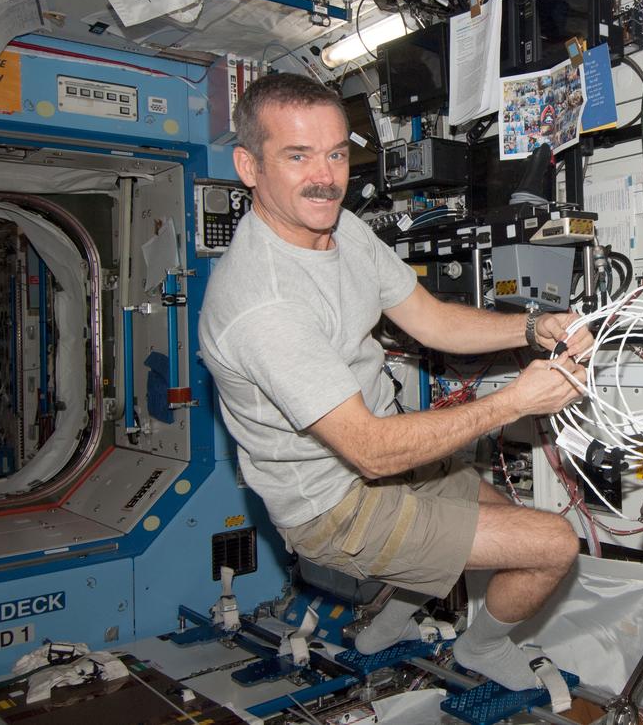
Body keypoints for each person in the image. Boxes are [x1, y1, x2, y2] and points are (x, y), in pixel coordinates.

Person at [198, 73, 592, 692]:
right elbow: (371, 450)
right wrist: (516, 400)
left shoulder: (337, 226)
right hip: (336, 503)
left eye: (335, 153)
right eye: (296, 156)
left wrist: (532, 328)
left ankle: (385, 627)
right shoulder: (263, 304)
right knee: (552, 544)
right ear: (249, 165)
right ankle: (484, 648)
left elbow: (432, 320)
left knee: (498, 519)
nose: (325, 176)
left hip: (383, 461)